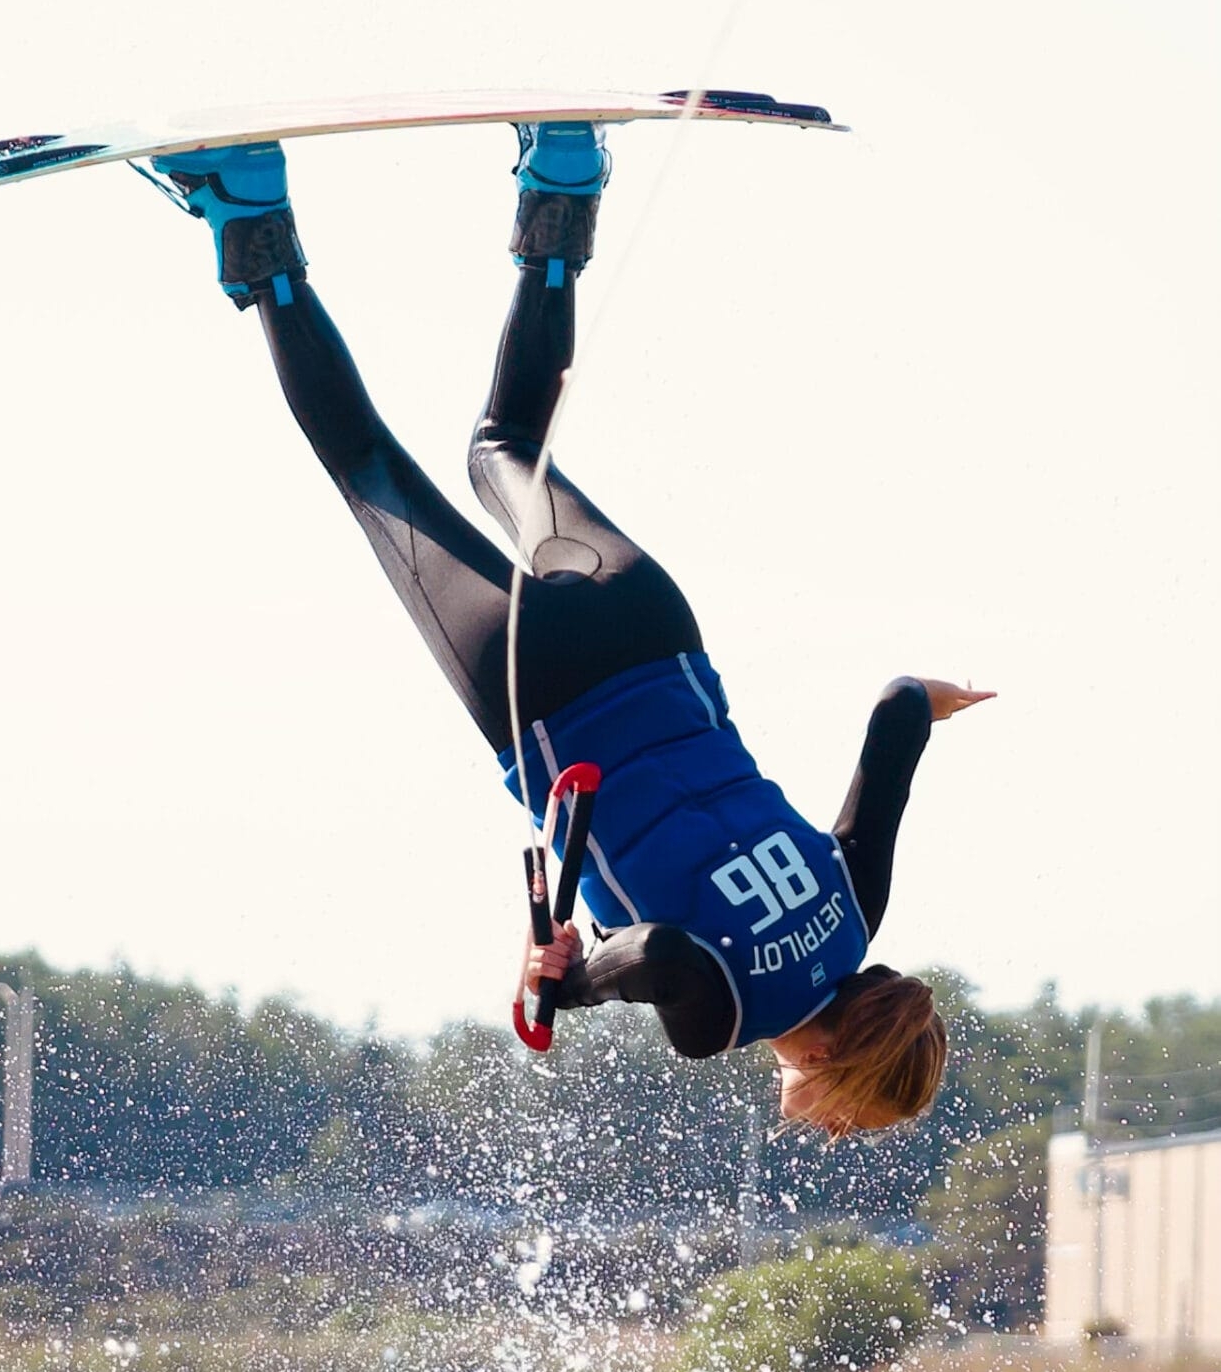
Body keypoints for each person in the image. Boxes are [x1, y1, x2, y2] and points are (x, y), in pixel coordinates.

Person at [142, 122, 994, 1139]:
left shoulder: (856, 910)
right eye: (844, 1118)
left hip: (650, 625)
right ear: (834, 1065)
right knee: (367, 467)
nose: (824, 1126)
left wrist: (933, 700)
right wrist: (576, 981)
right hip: (543, 693)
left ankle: (564, 177)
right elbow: (664, 957)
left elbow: (893, 719)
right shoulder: (720, 1019)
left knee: (503, 443)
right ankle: (251, 211)